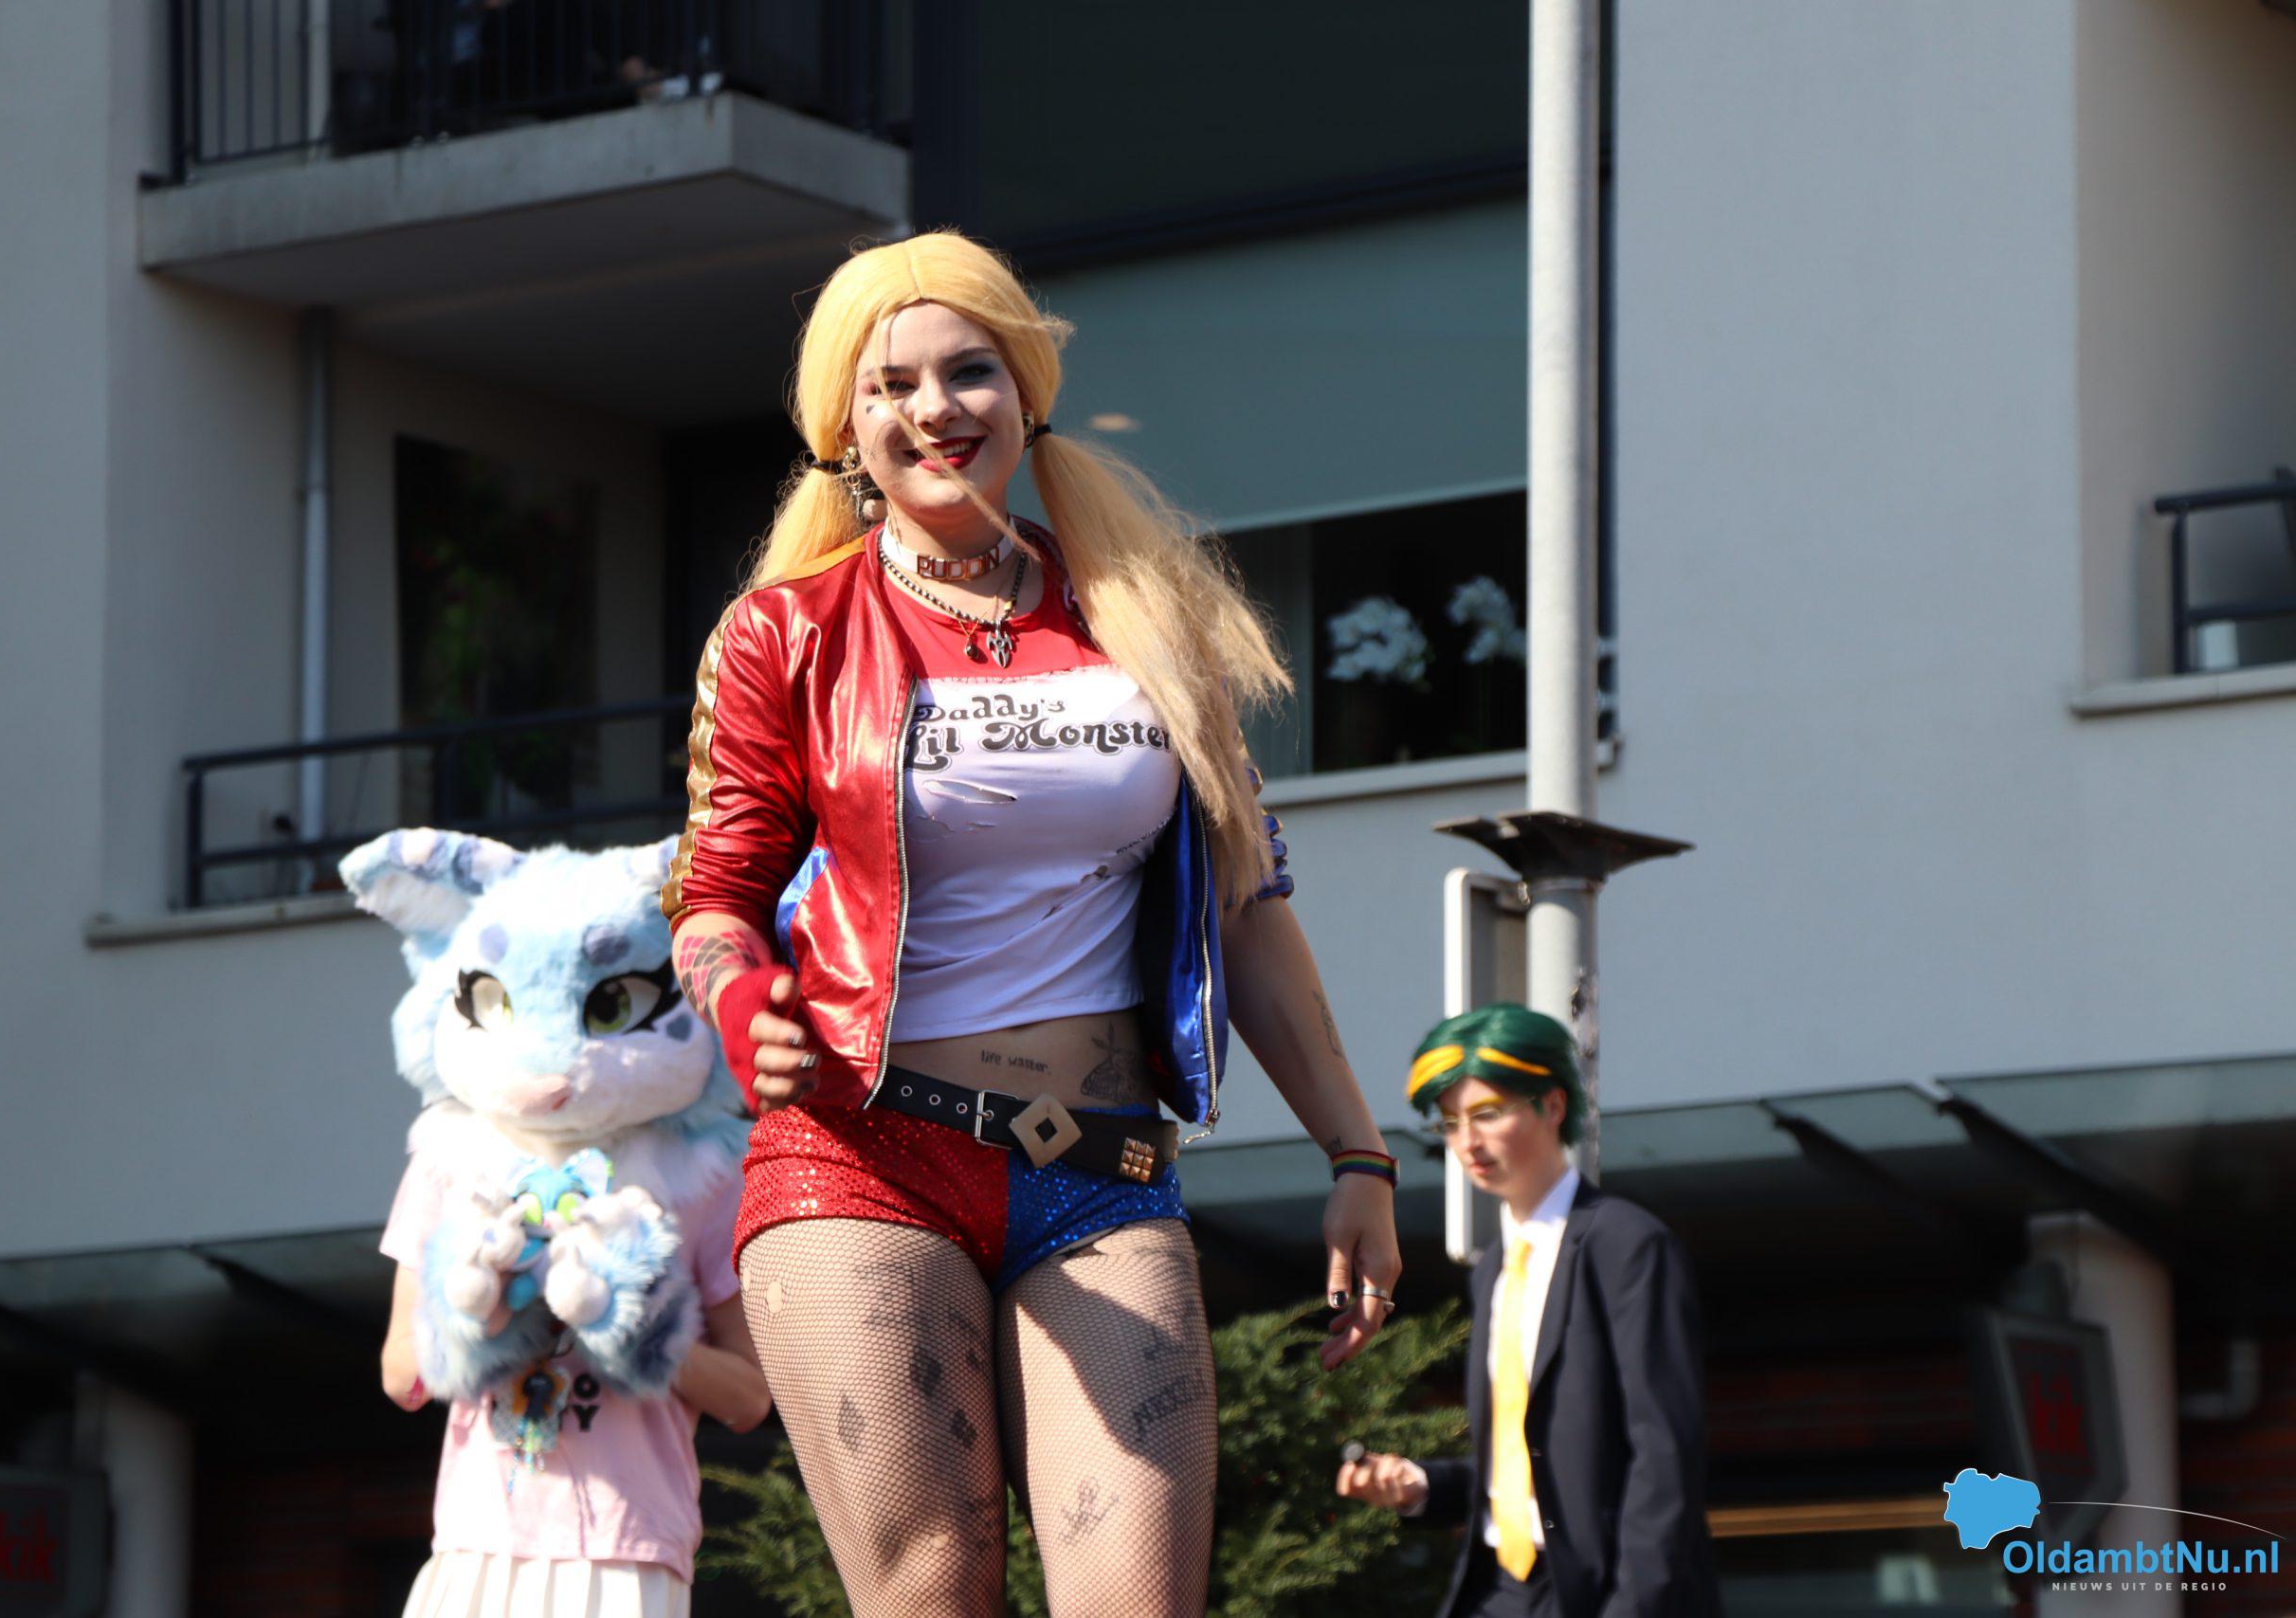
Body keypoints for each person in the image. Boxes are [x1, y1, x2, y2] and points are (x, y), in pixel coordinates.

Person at [661, 228, 1403, 1615]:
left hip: (1100, 1164)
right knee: (934, 1586)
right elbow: (715, 898)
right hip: (862, 1156)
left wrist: (1357, 1150)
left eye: (969, 371)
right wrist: (741, 1000)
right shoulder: (786, 633)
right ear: (844, 426)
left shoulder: (1147, 619)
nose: (934, 409)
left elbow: (1247, 905)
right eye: (890, 386)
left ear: (1024, 392)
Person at [1336, 1006, 1720, 1618]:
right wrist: (1422, 1484)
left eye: (1488, 1113)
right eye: (1450, 1122)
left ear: (1553, 1105)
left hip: (1601, 1592)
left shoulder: (1628, 1245)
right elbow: (1531, 1466)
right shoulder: (1493, 1268)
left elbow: (1665, 1456)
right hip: (1500, 1589)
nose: (1467, 1142)